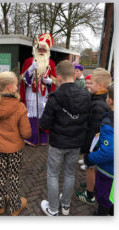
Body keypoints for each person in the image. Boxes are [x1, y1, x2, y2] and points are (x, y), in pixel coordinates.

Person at [39, 60, 91, 216]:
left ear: (59, 77)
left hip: (58, 143)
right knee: (69, 173)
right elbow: (86, 120)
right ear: (74, 75)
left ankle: (53, 209)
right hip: (76, 142)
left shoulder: (55, 96)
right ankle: (66, 206)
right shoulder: (86, 95)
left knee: (53, 174)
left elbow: (45, 124)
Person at [0, 71, 31, 215]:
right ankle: (15, 207)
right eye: (16, 85)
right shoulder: (19, 106)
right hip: (15, 149)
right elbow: (26, 133)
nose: (17, 88)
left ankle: (1, 205)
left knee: (1, 176)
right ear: (9, 87)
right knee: (14, 176)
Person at [75, 68, 111, 205]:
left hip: (92, 146)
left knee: (90, 167)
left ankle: (90, 194)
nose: (89, 85)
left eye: (92, 83)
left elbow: (93, 132)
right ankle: (94, 185)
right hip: (95, 144)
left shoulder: (99, 105)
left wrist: (86, 149)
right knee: (93, 167)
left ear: (100, 85)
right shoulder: (100, 99)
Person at [20, 33, 57, 146]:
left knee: (43, 113)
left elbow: (55, 81)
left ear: (48, 51)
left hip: (44, 93)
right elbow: (23, 80)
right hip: (31, 92)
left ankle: (43, 138)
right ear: (36, 49)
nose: (41, 51)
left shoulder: (51, 63)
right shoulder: (29, 61)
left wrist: (49, 81)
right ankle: (32, 138)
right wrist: (30, 70)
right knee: (32, 113)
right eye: (39, 48)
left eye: (44, 49)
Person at [84, 83, 114, 216]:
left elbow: (108, 151)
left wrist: (90, 158)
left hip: (108, 171)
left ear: (110, 100)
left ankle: (101, 214)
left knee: (103, 196)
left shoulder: (109, 122)